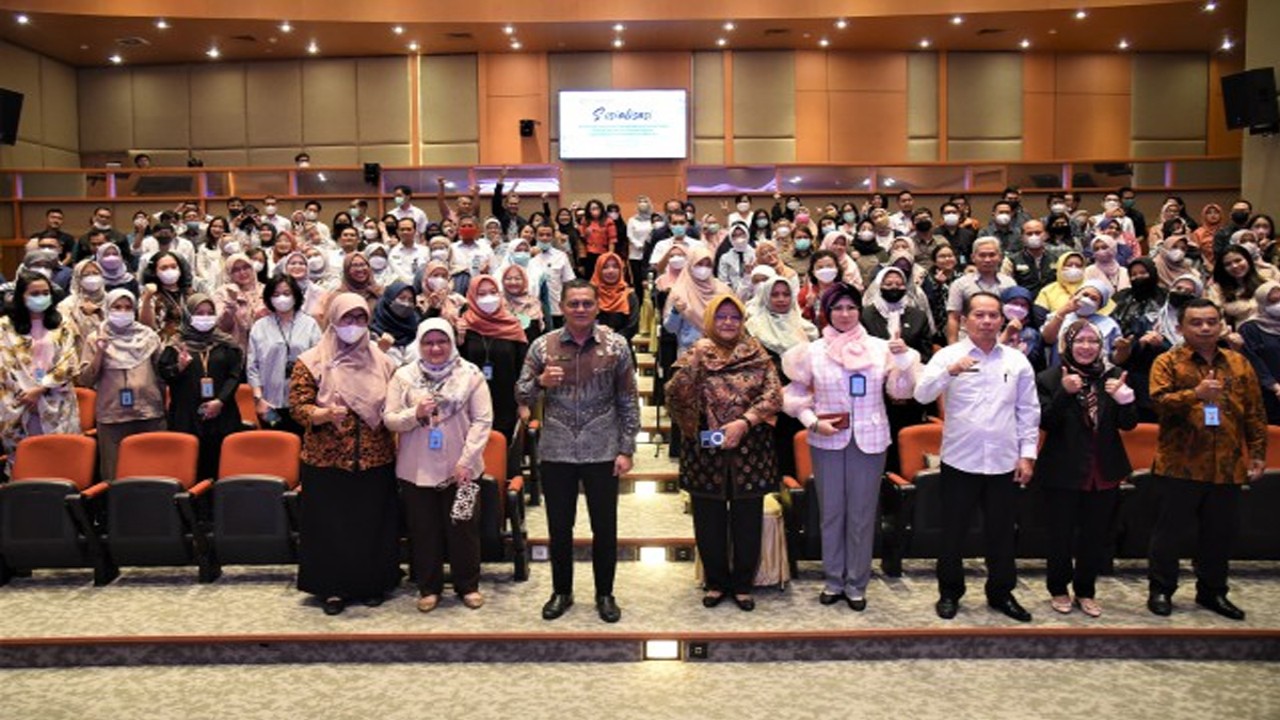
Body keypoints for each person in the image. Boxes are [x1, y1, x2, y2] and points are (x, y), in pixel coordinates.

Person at [783, 282, 919, 610]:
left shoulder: (881, 347)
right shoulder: (811, 352)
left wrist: (902, 362)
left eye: (851, 308)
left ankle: (857, 582)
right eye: (837, 308)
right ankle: (833, 579)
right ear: (827, 312)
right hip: (826, 438)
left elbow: (901, 393)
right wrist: (812, 421)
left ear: (860, 310)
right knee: (831, 513)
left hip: (870, 439)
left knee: (861, 514)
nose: (845, 315)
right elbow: (793, 396)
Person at [514, 280, 640, 624]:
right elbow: (520, 394)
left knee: (605, 527)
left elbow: (628, 398)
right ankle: (561, 591)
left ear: (597, 307)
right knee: (559, 528)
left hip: (602, 449)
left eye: (587, 303)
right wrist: (540, 383)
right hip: (557, 451)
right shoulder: (543, 346)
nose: (581, 309)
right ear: (563, 307)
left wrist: (627, 448)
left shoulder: (616, 346)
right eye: (574, 304)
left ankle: (605, 593)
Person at [915, 292, 1040, 622]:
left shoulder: (1016, 361)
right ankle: (949, 592)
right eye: (979, 315)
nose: (986, 321)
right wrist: (949, 373)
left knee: (1001, 532)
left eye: (993, 316)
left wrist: (1027, 456)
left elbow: (1028, 411)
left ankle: (1001, 593)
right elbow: (920, 394)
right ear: (965, 320)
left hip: (1003, 461)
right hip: (960, 461)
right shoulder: (949, 356)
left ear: (1002, 320)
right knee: (953, 531)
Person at [1146, 298, 1266, 620]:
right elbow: (1158, 403)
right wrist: (1195, 395)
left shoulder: (1239, 364)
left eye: (1211, 322)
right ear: (1182, 327)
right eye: (1196, 323)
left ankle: (1212, 592)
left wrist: (1256, 453)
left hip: (1226, 466)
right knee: (1168, 534)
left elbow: (1254, 413)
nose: (1205, 328)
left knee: (1219, 535)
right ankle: (1161, 590)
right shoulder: (1167, 362)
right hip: (1179, 465)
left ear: (1221, 325)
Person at [666, 294, 783, 611]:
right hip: (706, 449)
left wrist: (744, 422)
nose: (728, 323)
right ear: (709, 321)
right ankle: (716, 582)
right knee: (708, 519)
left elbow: (773, 396)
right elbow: (675, 397)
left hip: (751, 447)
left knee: (748, 519)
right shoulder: (697, 352)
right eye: (721, 317)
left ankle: (743, 584)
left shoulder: (756, 352)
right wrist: (692, 364)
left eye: (734, 317)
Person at [290, 293, 401, 615]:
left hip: (374, 458)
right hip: (326, 460)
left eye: (360, 319)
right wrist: (322, 414)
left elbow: (394, 405)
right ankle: (332, 588)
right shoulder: (310, 361)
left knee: (371, 524)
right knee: (331, 526)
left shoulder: (384, 362)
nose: (353, 326)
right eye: (346, 319)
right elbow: (297, 406)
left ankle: (373, 584)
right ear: (334, 321)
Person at [384, 319, 492, 613]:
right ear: (419, 344)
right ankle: (429, 587)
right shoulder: (403, 376)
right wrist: (414, 413)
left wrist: (466, 460)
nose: (435, 348)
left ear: (451, 342)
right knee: (424, 530)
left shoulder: (470, 375)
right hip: (415, 470)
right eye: (428, 342)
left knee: (464, 527)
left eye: (441, 341)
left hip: (465, 470)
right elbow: (389, 419)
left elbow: (483, 421)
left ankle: (467, 585)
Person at [1034, 321, 1137, 618]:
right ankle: (1057, 588)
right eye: (1080, 341)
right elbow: (1045, 422)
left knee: (1095, 536)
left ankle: (1086, 590)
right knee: (1060, 535)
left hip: (1103, 469)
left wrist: (1125, 399)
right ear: (1067, 344)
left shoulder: (1114, 375)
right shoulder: (1050, 377)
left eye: (1093, 341)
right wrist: (1064, 394)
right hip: (1062, 469)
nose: (1087, 347)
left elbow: (1128, 424)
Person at [78, 289, 166, 480]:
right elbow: (85, 380)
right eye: (117, 307)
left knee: (153, 470)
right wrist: (100, 353)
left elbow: (163, 372)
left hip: (149, 413)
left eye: (128, 307)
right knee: (115, 474)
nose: (123, 311)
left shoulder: (148, 336)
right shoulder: (96, 338)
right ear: (108, 309)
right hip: (113, 416)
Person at [0, 272, 81, 472]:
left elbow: (69, 361)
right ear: (21, 296)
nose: (41, 297)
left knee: (60, 461)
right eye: (34, 293)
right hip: (19, 402)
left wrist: (41, 388)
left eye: (45, 293)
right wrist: (28, 393)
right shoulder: (4, 326)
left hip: (57, 400)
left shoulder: (63, 323)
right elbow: (4, 365)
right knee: (27, 464)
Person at [158, 294, 244, 481]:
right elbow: (164, 374)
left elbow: (235, 375)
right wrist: (179, 367)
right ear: (189, 315)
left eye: (210, 313)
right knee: (191, 467)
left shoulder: (225, 342)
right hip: (187, 416)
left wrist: (220, 401)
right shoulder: (176, 344)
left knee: (221, 465)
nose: (205, 317)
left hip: (222, 413)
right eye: (199, 313)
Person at [247, 275, 322, 434]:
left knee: (301, 449)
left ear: (296, 295)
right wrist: (258, 399)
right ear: (268, 298)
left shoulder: (310, 324)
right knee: (275, 447)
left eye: (287, 293)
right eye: (276, 294)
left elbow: (319, 362)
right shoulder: (260, 326)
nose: (282, 298)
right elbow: (253, 367)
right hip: (270, 404)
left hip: (304, 402)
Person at [458, 274, 528, 444]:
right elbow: (456, 367)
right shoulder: (463, 326)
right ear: (472, 297)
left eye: (493, 292)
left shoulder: (512, 325)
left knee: (503, 452)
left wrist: (523, 403)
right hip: (471, 402)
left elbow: (524, 369)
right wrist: (458, 341)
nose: (488, 298)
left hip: (506, 400)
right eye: (481, 294)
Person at [1239, 281, 1280, 425]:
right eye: (1273, 301)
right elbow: (1252, 359)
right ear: (1262, 303)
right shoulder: (1250, 328)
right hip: (1268, 393)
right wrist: (1274, 386)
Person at [213, 253, 267, 353]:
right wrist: (230, 309)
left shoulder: (265, 290)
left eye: (246, 267)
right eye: (236, 270)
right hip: (233, 351)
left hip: (262, 348)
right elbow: (221, 326)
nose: (242, 272)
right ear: (229, 273)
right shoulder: (222, 293)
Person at [590, 252, 640, 343]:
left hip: (621, 347)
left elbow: (632, 326)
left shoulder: (629, 295)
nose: (611, 271)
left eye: (615, 267)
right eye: (605, 267)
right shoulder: (590, 294)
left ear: (621, 270)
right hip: (592, 346)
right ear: (598, 269)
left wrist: (613, 340)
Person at [369, 281, 422, 366]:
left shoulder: (417, 329)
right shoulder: (372, 336)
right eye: (402, 298)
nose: (406, 304)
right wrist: (380, 351)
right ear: (389, 300)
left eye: (411, 300)